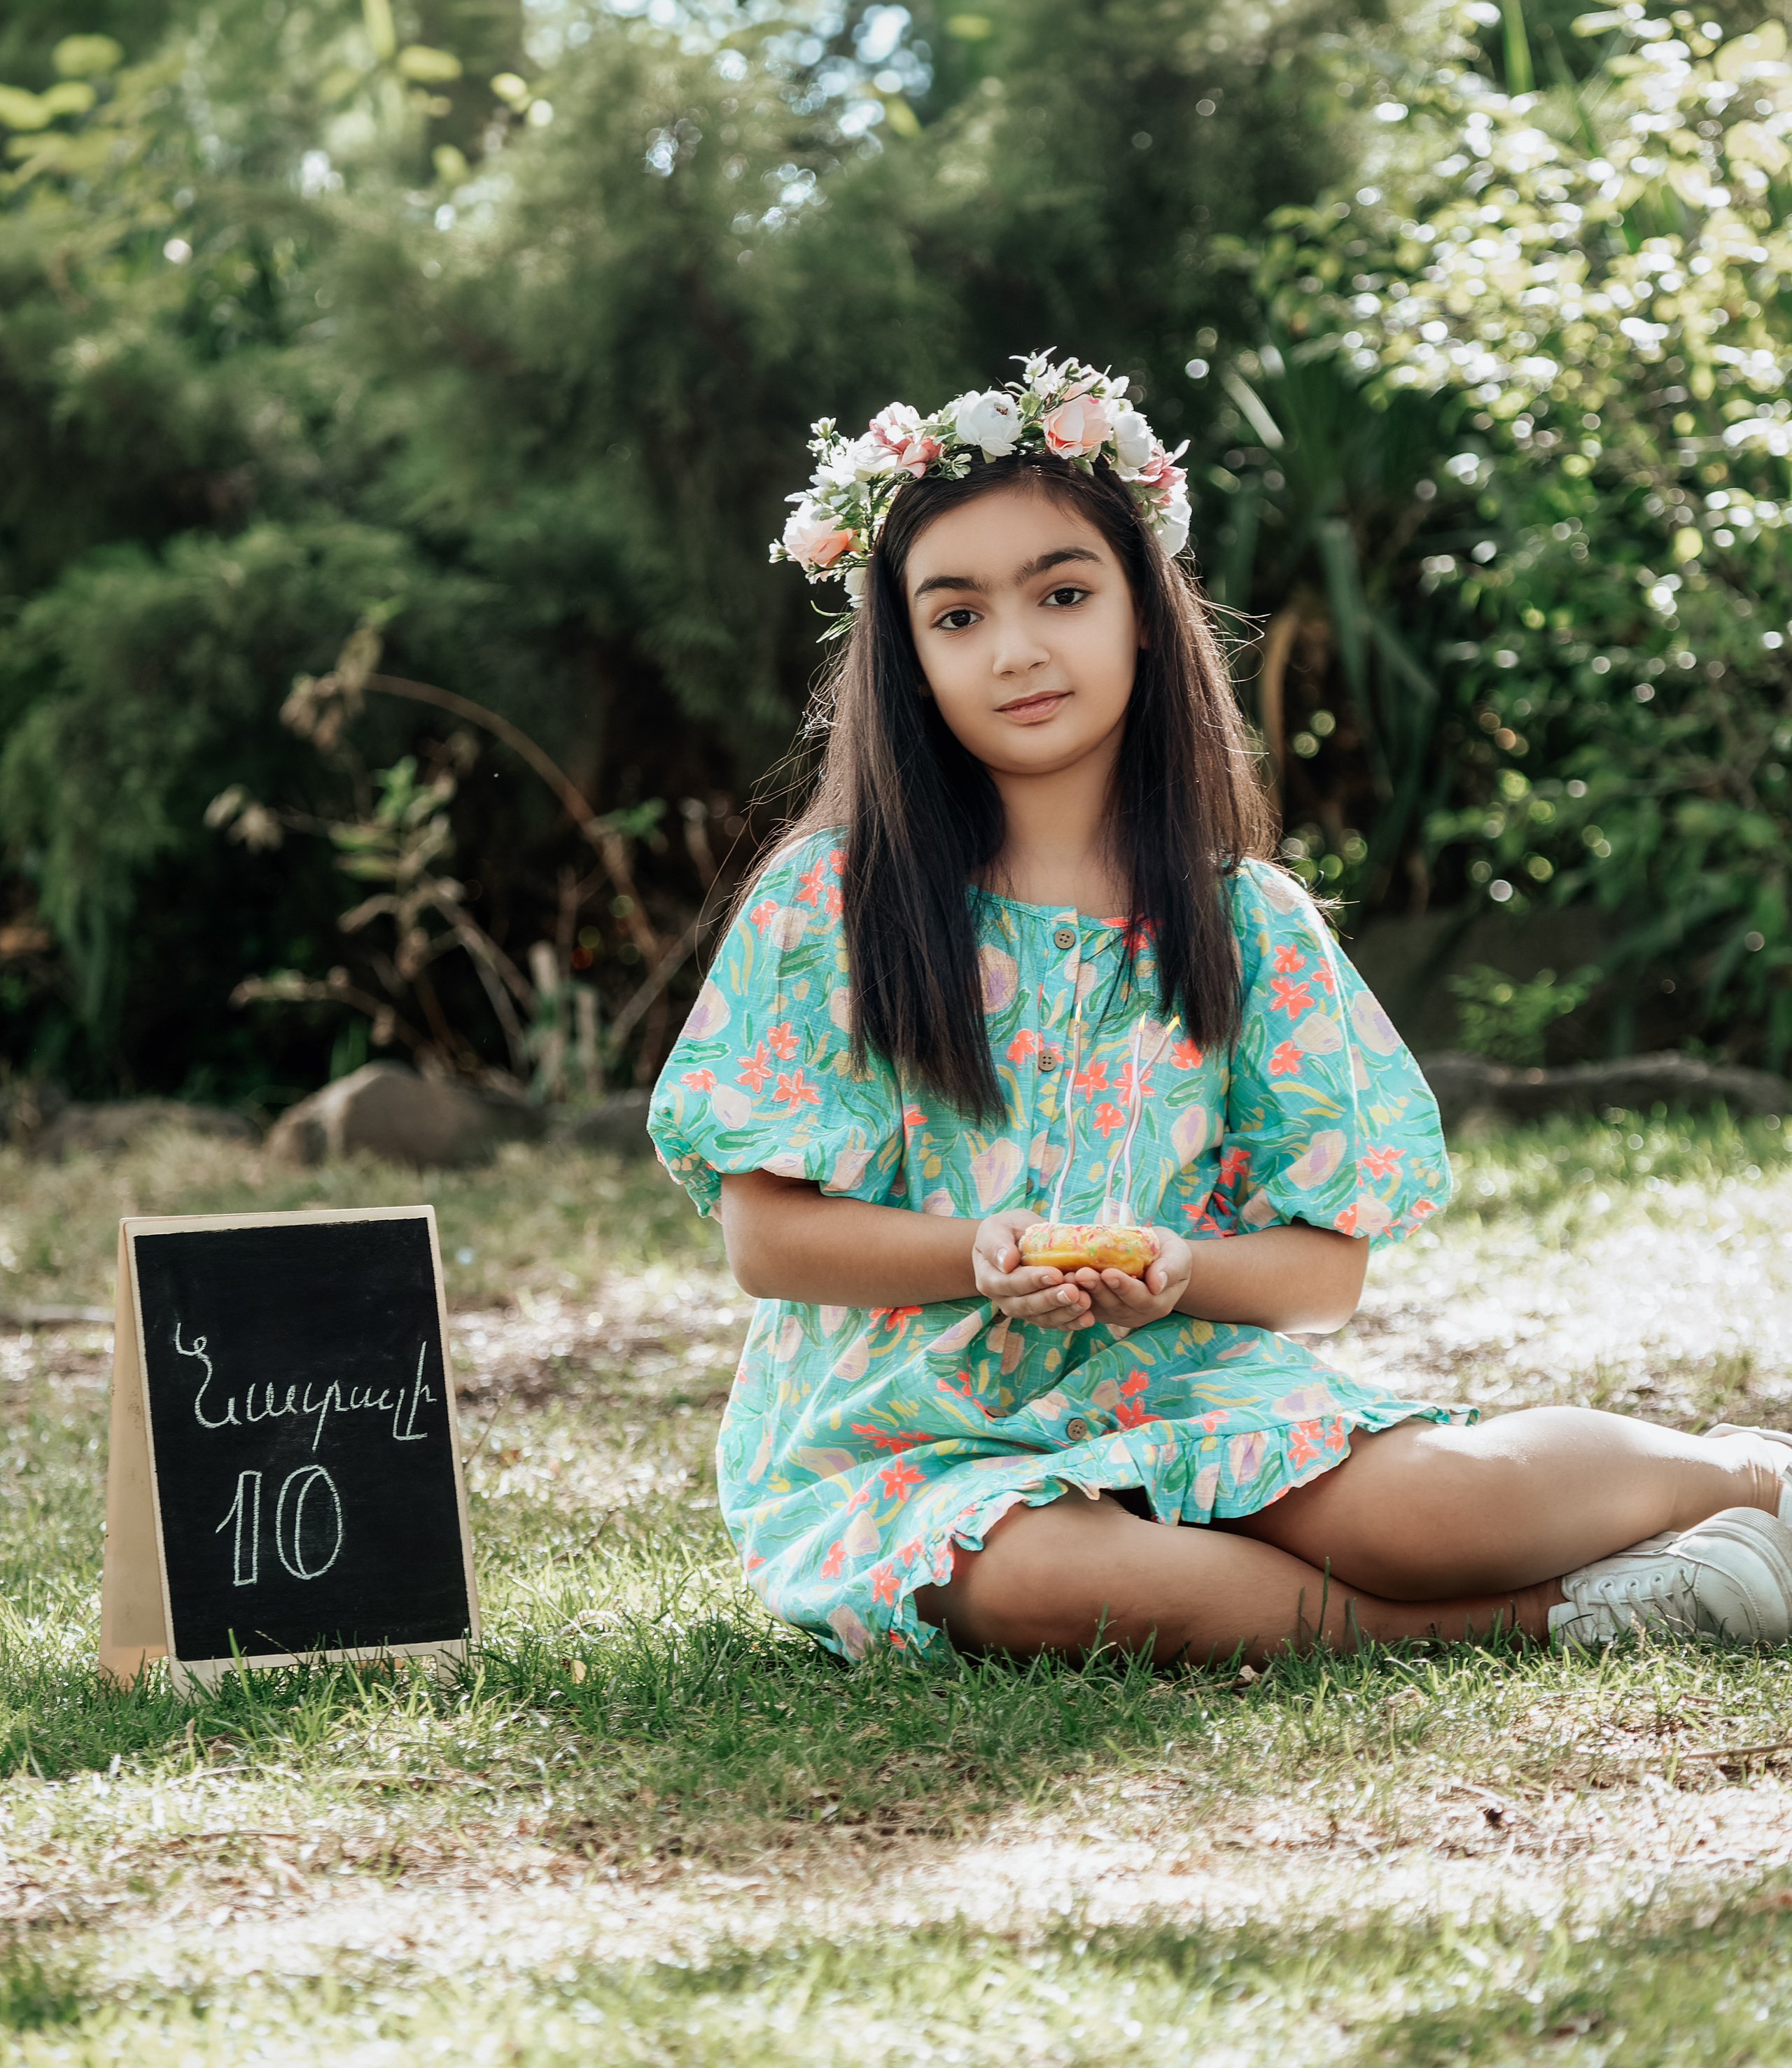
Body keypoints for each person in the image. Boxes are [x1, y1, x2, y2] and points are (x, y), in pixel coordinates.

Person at [648, 353, 1792, 1669]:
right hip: (905, 1432)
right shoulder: (831, 906)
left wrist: (1183, 1271)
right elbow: (768, 1241)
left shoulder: (1245, 922)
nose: (1016, 649)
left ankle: (1746, 1481)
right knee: (1051, 1585)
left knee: (1432, 1509)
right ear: (904, 657)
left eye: (1063, 594)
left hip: (1186, 1379)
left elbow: (1325, 1273)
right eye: (955, 617)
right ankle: (1582, 1612)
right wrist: (975, 1251)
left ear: (1144, 610)